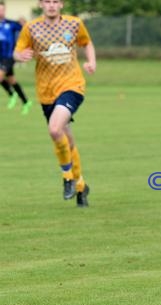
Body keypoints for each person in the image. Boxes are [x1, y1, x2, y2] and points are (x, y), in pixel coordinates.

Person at [14, 0, 96, 207]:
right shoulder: (31, 28)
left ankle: (67, 176)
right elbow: (17, 51)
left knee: (54, 129)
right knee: (66, 140)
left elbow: (87, 43)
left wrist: (91, 61)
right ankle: (81, 186)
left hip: (72, 86)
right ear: (41, 4)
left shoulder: (74, 24)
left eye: (55, 1)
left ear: (61, 4)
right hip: (46, 92)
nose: (51, 5)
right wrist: (20, 55)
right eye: (47, 1)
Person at [0, 1, 32, 114]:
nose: (1, 12)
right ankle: (26, 101)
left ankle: (11, 94)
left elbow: (25, 29)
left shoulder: (11, 24)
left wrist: (24, 23)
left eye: (2, 9)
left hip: (9, 57)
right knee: (12, 81)